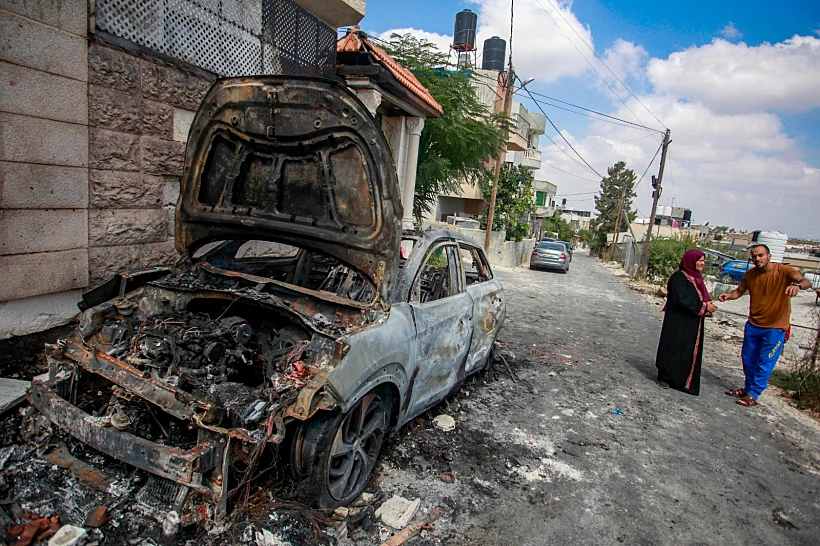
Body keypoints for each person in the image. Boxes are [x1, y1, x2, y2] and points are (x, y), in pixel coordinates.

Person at [719, 244, 812, 406]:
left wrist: (796, 286)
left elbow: (806, 281)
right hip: (754, 323)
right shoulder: (750, 275)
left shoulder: (784, 271)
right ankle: (748, 388)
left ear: (769, 256)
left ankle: (754, 393)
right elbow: (739, 291)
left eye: (761, 255)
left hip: (775, 327)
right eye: (754, 256)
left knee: (765, 361)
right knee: (748, 358)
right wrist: (728, 295)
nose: (757, 259)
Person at [655, 249, 718, 395]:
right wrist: (704, 306)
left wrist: (708, 306)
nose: (703, 263)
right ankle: (665, 376)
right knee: (673, 346)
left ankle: (682, 381)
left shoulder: (697, 278)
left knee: (687, 350)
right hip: (677, 321)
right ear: (691, 261)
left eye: (703, 260)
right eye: (700, 260)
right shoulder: (679, 278)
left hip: (693, 323)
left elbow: (700, 297)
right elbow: (682, 299)